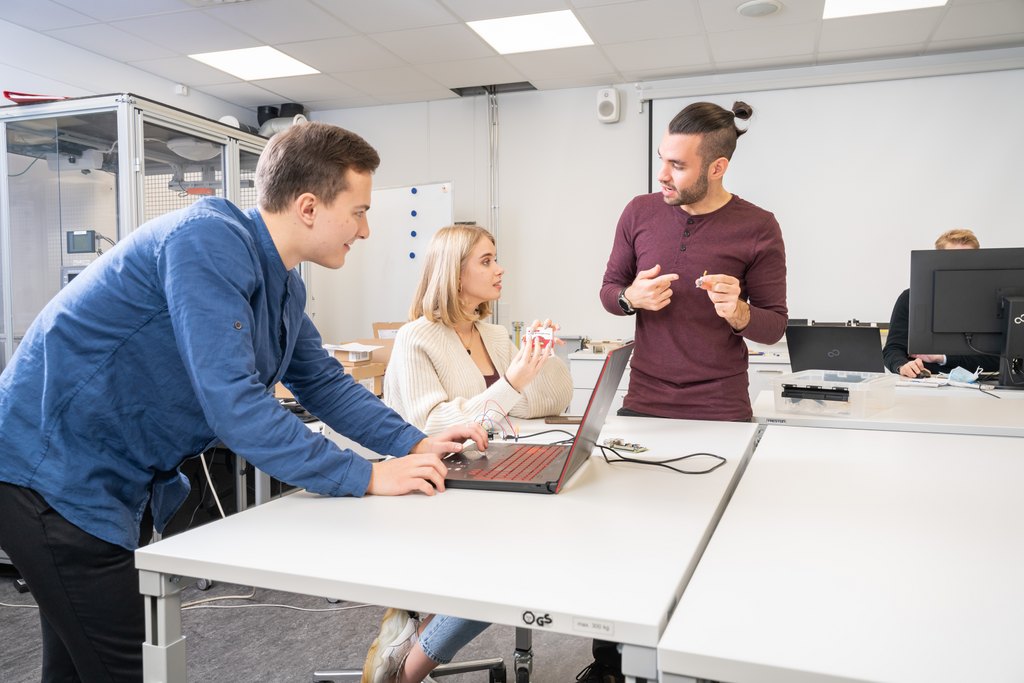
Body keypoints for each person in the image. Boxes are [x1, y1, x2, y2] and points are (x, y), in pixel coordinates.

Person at [0, 121, 484, 683]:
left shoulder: (282, 284)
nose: (367, 229)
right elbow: (236, 405)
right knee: (125, 667)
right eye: (358, 211)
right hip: (49, 475)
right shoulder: (207, 242)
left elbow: (322, 383)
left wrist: (415, 442)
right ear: (308, 207)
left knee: (77, 664)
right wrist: (367, 476)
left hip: (104, 480)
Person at [363, 224, 572, 683]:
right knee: (513, 564)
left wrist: (540, 357)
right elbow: (434, 426)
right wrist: (513, 383)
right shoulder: (417, 338)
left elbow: (551, 401)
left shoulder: (494, 336)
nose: (500, 269)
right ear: (454, 275)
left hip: (485, 480)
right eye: (486, 260)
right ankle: (408, 670)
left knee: (548, 538)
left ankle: (412, 647)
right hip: (434, 487)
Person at [600, 101, 787, 423]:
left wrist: (739, 312)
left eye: (678, 166)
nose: (662, 176)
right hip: (645, 398)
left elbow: (774, 326)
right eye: (662, 160)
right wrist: (630, 297)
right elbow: (609, 291)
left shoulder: (759, 226)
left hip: (720, 404)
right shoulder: (639, 211)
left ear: (717, 168)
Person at [882, 228, 1000, 377]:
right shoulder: (910, 298)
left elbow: (999, 358)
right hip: (924, 382)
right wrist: (902, 365)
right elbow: (892, 349)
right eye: (954, 261)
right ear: (938, 262)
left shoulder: (992, 301)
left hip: (980, 384)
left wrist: (942, 358)